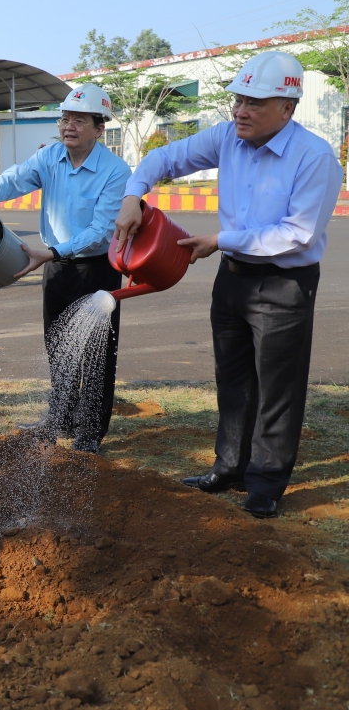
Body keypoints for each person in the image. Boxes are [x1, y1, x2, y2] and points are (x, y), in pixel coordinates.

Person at [115, 51, 342, 519]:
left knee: (277, 386)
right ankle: (230, 467)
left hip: (285, 284)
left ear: (287, 108)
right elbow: (163, 158)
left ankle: (266, 482)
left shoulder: (314, 157)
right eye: (237, 99)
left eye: (254, 103)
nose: (240, 110)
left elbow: (296, 233)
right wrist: (132, 195)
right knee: (234, 378)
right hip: (233, 279)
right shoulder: (227, 137)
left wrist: (221, 240)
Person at [0, 83, 131, 453]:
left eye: (78, 120)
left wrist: (52, 252)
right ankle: (59, 417)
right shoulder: (50, 158)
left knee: (96, 353)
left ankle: (89, 434)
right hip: (57, 268)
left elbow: (100, 231)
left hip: (98, 270)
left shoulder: (115, 171)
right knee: (58, 346)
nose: (68, 127)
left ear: (98, 127)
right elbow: (14, 178)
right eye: (64, 119)